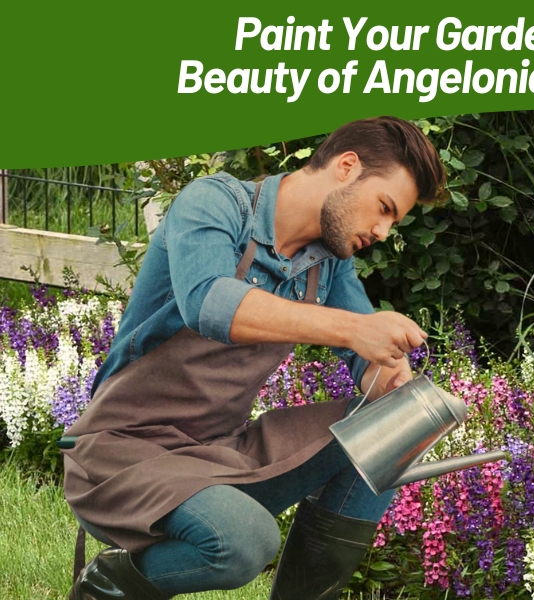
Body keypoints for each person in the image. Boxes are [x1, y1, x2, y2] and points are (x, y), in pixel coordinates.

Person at [62, 116, 447, 599]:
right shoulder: (215, 203)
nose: (384, 231)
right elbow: (209, 303)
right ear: (347, 167)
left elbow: (371, 367)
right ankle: (111, 583)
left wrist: (394, 383)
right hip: (123, 451)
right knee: (245, 540)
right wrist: (354, 329)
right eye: (384, 208)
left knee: (392, 429)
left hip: (220, 454)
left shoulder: (328, 264)